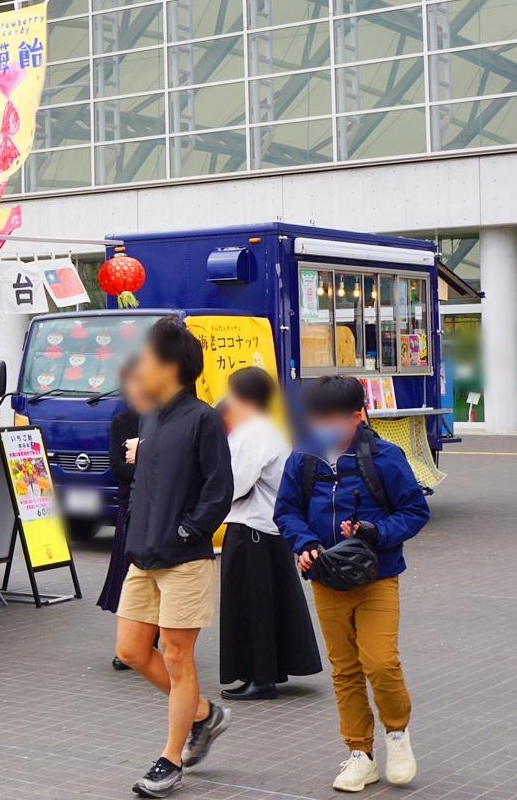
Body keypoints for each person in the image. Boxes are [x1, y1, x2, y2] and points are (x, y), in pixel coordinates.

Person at [275, 375, 431, 793]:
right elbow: (286, 510)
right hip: (326, 577)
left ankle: (396, 735)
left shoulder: (385, 457)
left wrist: (374, 531)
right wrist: (304, 542)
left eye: (332, 418)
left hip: (377, 576)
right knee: (344, 669)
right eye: (316, 417)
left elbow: (415, 511)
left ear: (357, 415)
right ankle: (360, 753)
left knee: (380, 661)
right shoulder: (303, 458)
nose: (323, 425)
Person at [114, 317, 234, 797]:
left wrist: (189, 530)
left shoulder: (203, 418)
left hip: (185, 559)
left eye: (147, 357)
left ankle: (171, 759)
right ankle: (204, 714)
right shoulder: (151, 417)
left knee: (178, 657)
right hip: (143, 555)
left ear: (170, 366)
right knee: (131, 651)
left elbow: (219, 489)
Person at [215, 366, 321, 701]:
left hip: (252, 529)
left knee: (253, 605)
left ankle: (261, 677)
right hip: (267, 528)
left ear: (241, 397)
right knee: (268, 603)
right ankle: (267, 672)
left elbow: (233, 484)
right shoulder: (267, 429)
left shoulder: (252, 433)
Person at [97, 359, 148, 670]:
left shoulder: (166, 417)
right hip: (131, 505)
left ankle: (150, 641)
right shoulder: (123, 419)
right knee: (128, 579)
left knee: (153, 579)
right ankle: (128, 646)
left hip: (160, 508)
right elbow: (117, 467)